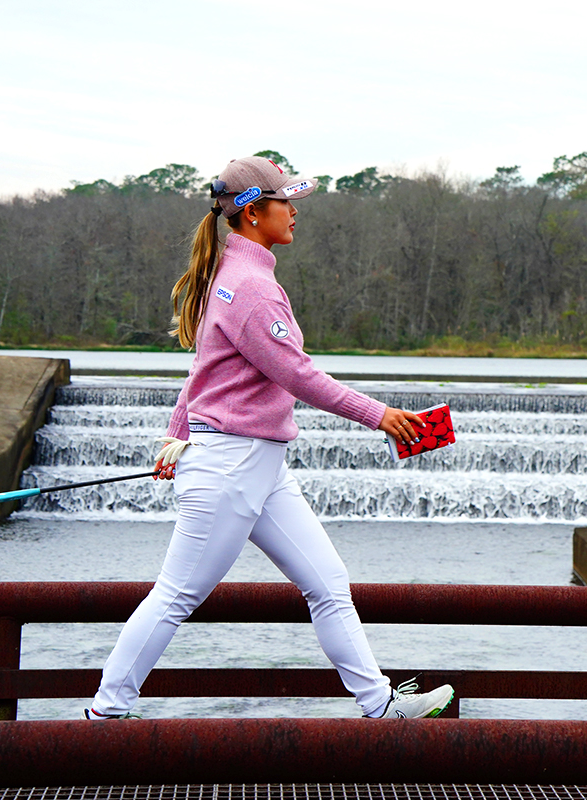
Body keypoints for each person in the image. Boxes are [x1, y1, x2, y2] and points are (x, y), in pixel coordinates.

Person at [85, 156, 454, 721]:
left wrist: (174, 436)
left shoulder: (232, 277)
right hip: (231, 466)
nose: (296, 211)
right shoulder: (251, 288)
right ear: (254, 214)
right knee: (176, 595)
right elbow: (298, 375)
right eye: (288, 201)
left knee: (329, 583)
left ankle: (380, 707)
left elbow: (202, 371)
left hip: (256, 466)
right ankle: (104, 717)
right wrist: (379, 415)